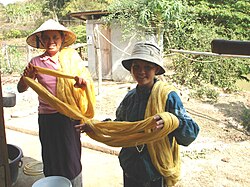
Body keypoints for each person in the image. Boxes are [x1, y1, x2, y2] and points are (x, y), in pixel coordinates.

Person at [76, 41, 200, 187]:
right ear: (131, 69)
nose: (141, 72)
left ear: (156, 70)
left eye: (147, 67)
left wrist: (172, 121)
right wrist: (96, 127)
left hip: (155, 171)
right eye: (137, 67)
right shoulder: (130, 97)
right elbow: (120, 126)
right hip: (131, 167)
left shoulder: (168, 97)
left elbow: (191, 133)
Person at [17, 19, 95, 187]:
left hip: (69, 116)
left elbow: (85, 81)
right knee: (51, 156)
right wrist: (27, 77)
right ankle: (53, 183)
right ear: (41, 40)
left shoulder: (71, 58)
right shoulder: (36, 63)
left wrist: (81, 84)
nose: (51, 41)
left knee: (71, 157)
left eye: (55, 37)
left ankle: (75, 184)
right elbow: (21, 88)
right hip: (47, 118)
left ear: (62, 39)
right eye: (46, 38)